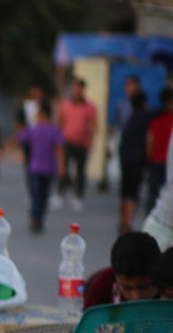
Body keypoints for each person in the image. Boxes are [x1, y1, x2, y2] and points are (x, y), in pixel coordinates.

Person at [83, 230, 160, 309]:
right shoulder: (104, 283)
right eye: (127, 288)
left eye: (144, 287)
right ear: (115, 276)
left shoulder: (168, 288)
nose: (136, 297)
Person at [17, 100, 63, 232]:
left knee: (36, 195)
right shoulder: (54, 130)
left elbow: (20, 138)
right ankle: (39, 219)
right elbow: (59, 149)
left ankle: (34, 219)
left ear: (42, 115)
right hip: (49, 168)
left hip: (35, 167)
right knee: (43, 196)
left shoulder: (34, 129)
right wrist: (61, 166)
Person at [56, 78, 97, 212]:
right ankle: (60, 194)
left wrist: (90, 142)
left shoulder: (89, 107)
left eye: (79, 89)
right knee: (63, 168)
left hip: (82, 143)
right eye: (74, 88)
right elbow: (60, 122)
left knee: (80, 171)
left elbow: (93, 125)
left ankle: (78, 196)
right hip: (67, 141)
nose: (76, 91)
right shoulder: (66, 104)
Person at [117, 91, 152, 234]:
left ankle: (122, 221)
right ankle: (127, 223)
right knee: (132, 193)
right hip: (137, 161)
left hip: (125, 159)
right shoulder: (145, 116)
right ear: (144, 104)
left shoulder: (130, 118)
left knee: (124, 191)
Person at [145, 87, 173, 216]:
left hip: (156, 160)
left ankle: (151, 217)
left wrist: (149, 157)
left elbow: (150, 139)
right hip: (166, 163)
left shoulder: (156, 118)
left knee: (153, 193)